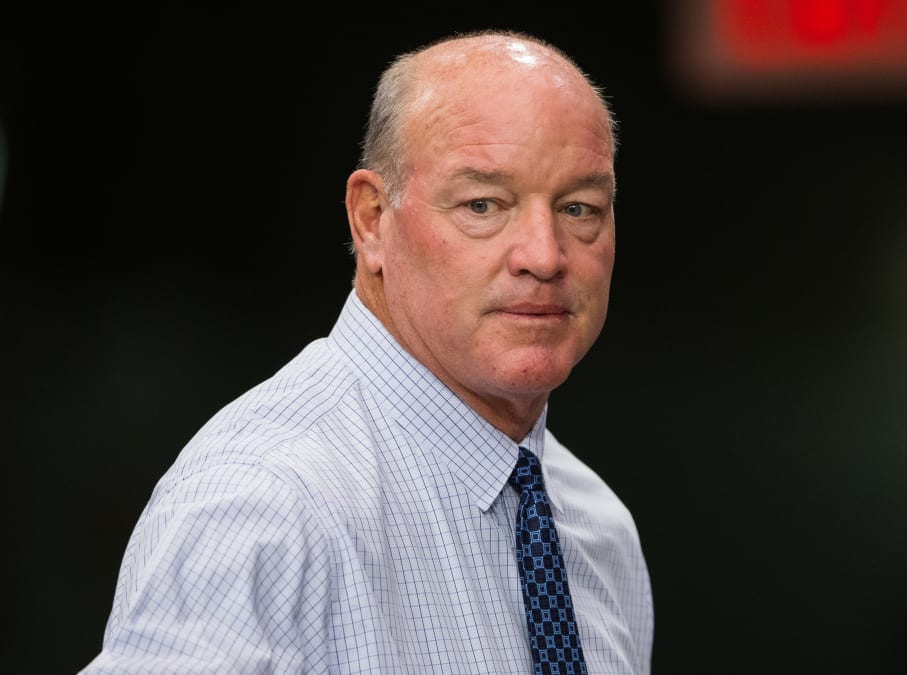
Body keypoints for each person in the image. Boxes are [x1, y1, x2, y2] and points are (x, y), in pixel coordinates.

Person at [81, 30, 653, 674]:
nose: (544, 256)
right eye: (483, 204)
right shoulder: (266, 505)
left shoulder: (597, 529)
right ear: (372, 219)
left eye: (579, 208)